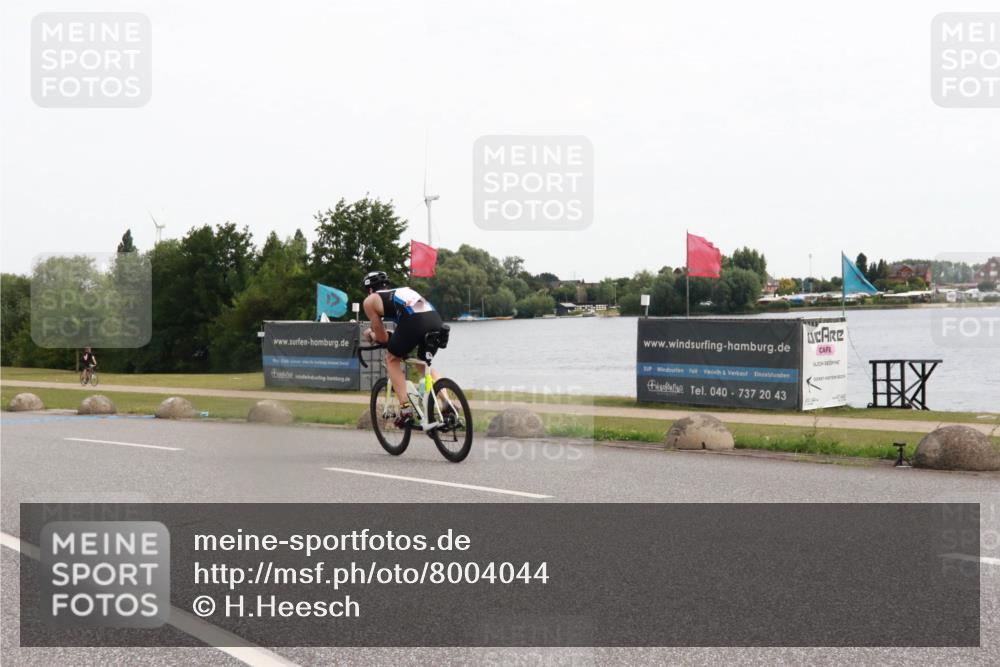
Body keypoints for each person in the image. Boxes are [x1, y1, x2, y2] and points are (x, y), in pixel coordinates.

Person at [361, 271, 445, 427]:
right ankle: (447, 403)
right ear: (387, 285)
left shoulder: (370, 300)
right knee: (423, 363)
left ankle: (405, 410)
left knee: (392, 359)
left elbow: (382, 338)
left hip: (413, 322)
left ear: (370, 289)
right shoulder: (404, 291)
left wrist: (370, 334)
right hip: (435, 320)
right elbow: (410, 319)